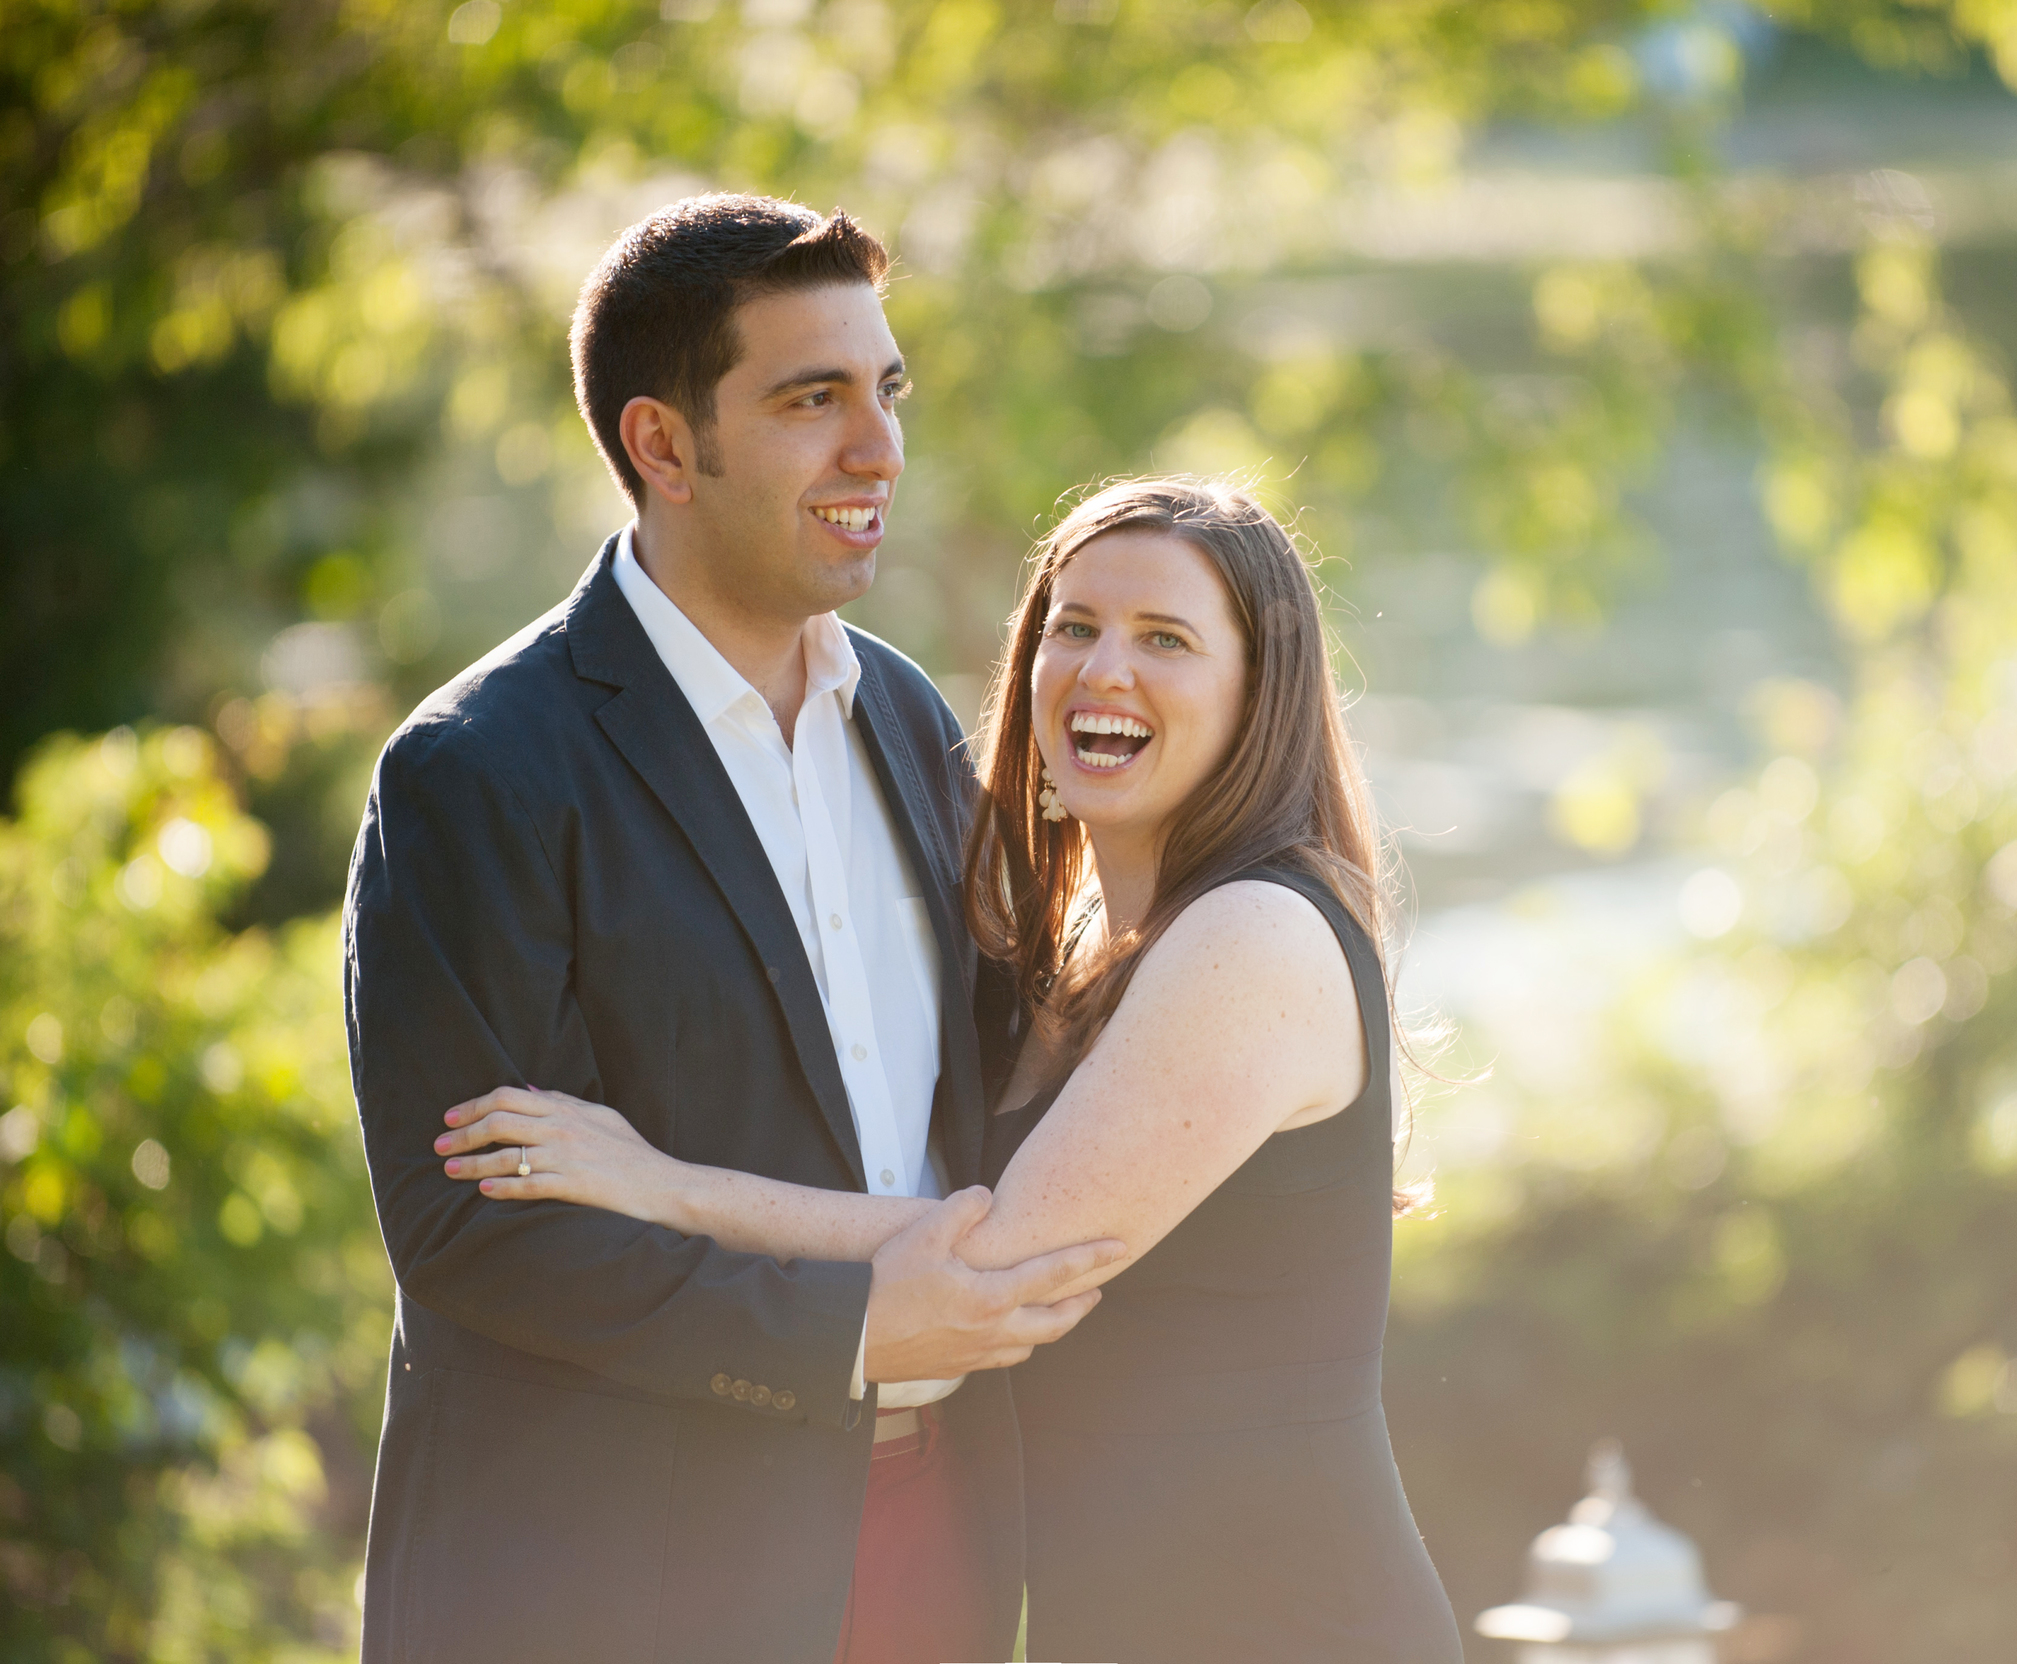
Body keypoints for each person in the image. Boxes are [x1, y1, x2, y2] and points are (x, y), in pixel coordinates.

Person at [435, 476, 1469, 1663]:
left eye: (1165, 639)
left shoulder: (1254, 933)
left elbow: (990, 1263)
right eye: (1073, 626)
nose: (1103, 670)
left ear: (1259, 690)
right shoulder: (1072, 945)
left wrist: (658, 1183)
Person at [344, 194, 1123, 1664]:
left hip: (936, 1536)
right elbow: (475, 1232)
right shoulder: (477, 770)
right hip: (617, 1581)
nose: (878, 448)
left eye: (887, 390)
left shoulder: (906, 714)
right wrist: (846, 1336)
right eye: (812, 400)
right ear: (662, 444)